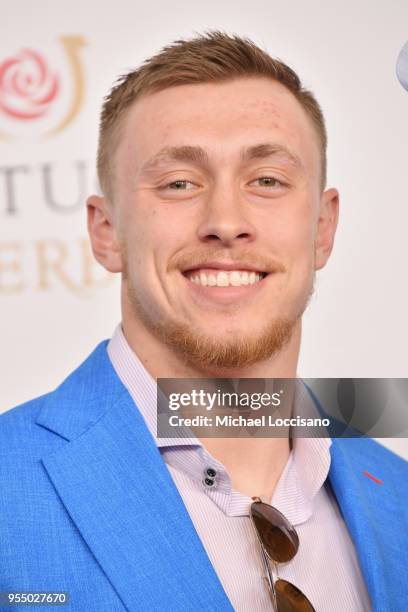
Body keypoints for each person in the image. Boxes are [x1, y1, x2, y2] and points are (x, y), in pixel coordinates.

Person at [1, 31, 407, 612]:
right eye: (179, 183)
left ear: (323, 227)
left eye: (266, 179)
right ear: (106, 231)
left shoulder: (400, 497)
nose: (225, 221)